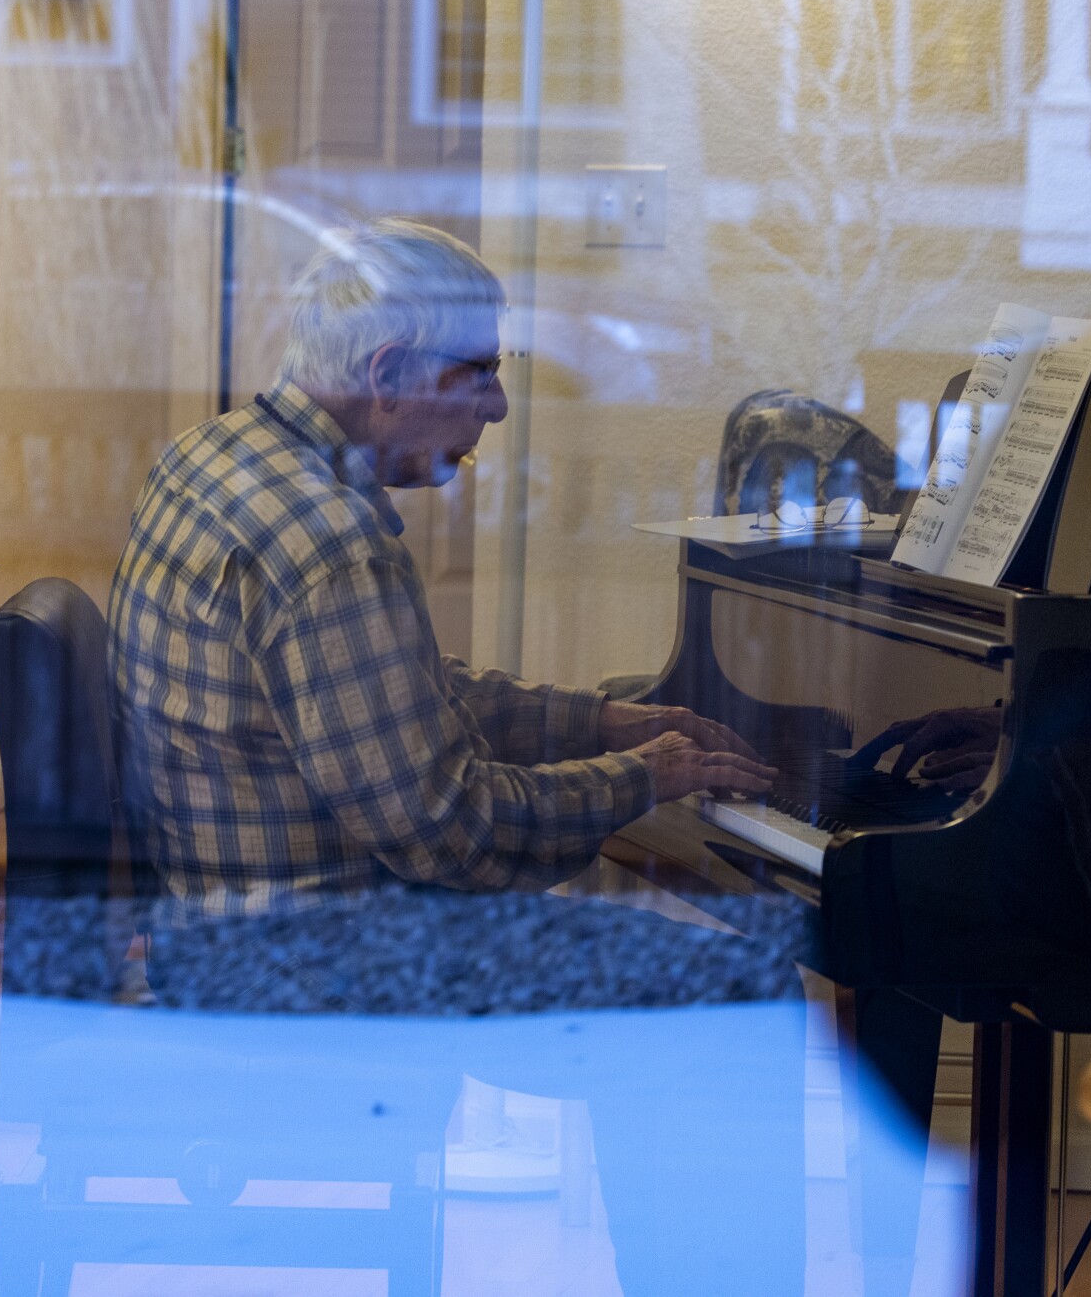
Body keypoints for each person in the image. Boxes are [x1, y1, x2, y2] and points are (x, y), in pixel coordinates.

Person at [104, 218, 819, 1292]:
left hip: (225, 924)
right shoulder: (328, 540)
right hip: (321, 964)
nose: (495, 403)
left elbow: (395, 702)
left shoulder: (215, 459)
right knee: (732, 989)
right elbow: (447, 831)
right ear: (389, 375)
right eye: (477, 370)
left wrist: (599, 722)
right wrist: (646, 779)